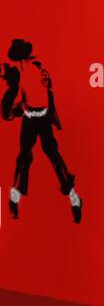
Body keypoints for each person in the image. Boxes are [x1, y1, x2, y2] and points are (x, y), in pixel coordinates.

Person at [2, 40, 81, 223]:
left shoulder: (39, 69)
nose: (22, 62)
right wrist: (18, 108)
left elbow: (47, 93)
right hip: (30, 119)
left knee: (53, 155)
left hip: (42, 118)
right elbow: (13, 82)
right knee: (24, 157)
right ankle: (15, 199)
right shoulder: (19, 72)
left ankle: (74, 199)